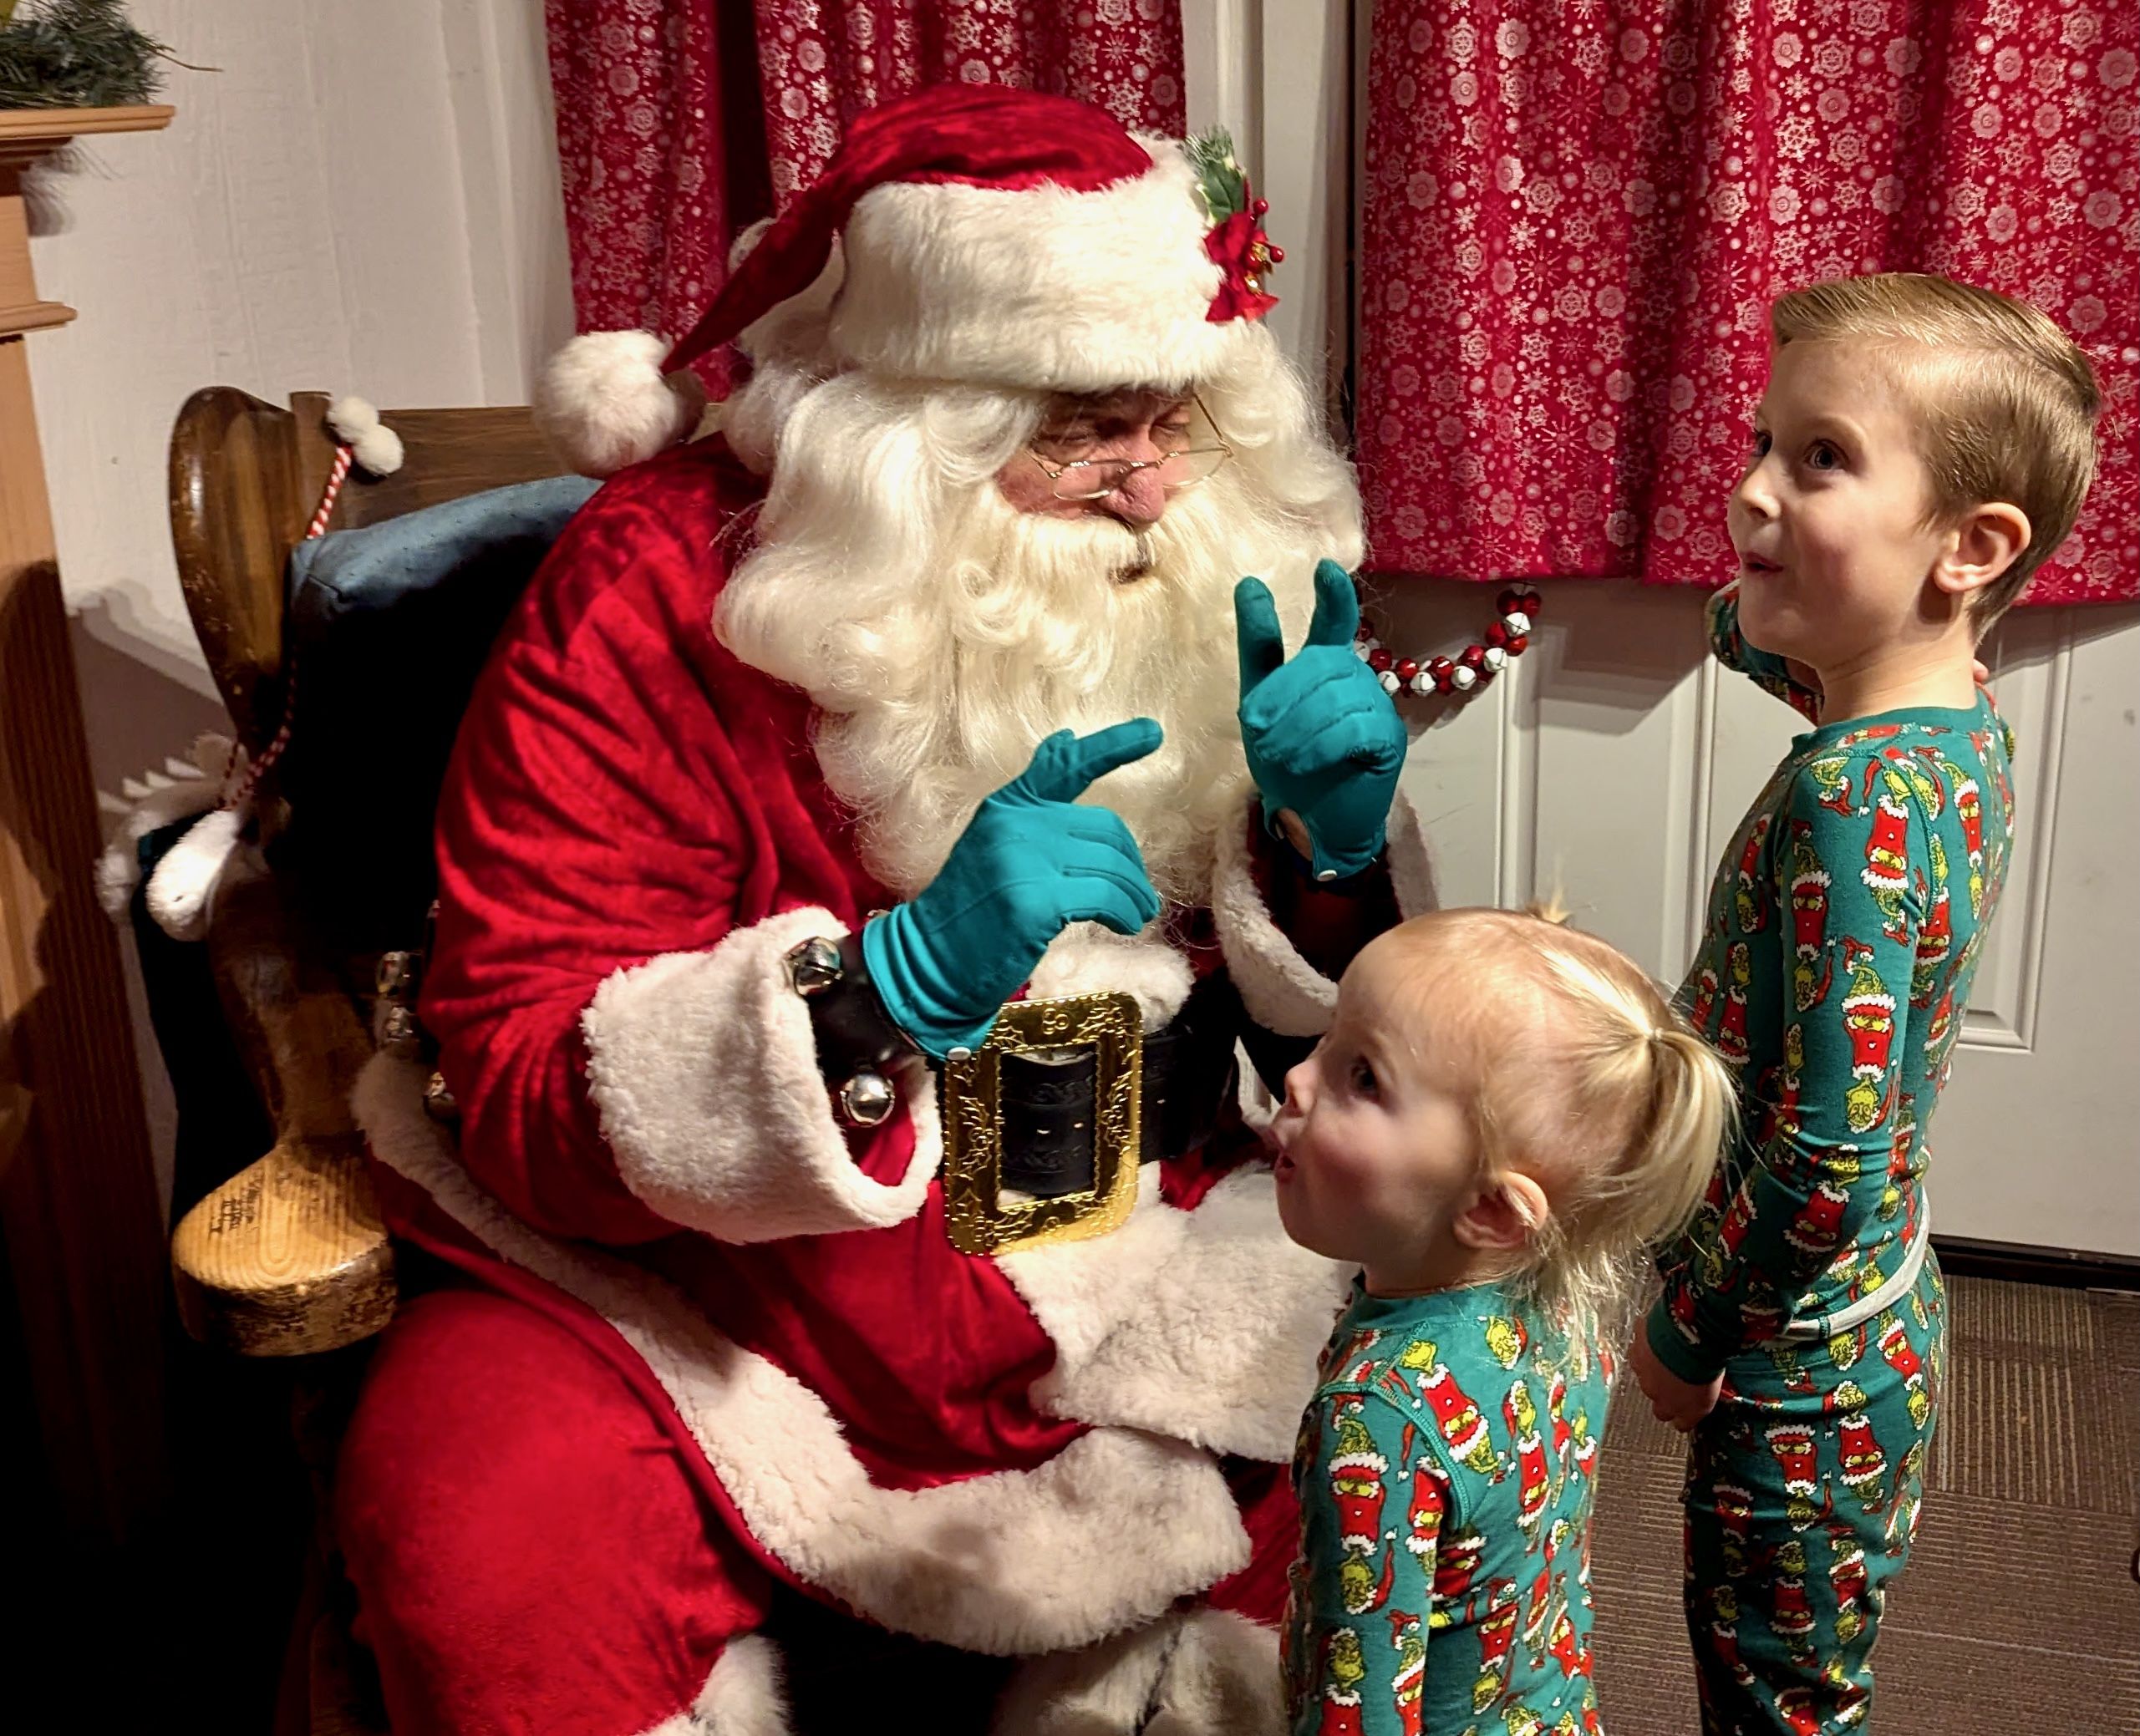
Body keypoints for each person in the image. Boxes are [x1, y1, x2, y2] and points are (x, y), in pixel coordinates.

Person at [332, 84, 1434, 1736]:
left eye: (1173, 417)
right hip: (715, 1306)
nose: (1148, 491)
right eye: (1080, 428)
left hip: (1121, 1250)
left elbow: (1325, 1036)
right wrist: (876, 994)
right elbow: (507, 1068)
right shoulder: (648, 593)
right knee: (472, 1529)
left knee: (1402, 1486)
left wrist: (1327, 860)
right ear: (905, 426)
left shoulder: (1206, 569)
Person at [1625, 273, 2102, 1733]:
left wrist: (1686, 1332)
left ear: (1972, 544)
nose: (1750, 490)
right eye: (1763, 441)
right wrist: (1785, 567)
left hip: (1793, 1363)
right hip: (1874, 1324)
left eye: (1819, 458)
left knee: (1769, 1702)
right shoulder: (1952, 717)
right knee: (1803, 1682)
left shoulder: (1846, 793)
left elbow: (1829, 1145)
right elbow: (1755, 634)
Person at [1273, 907, 1738, 1735]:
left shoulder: (1375, 1417)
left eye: (1363, 1076)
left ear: (1489, 1208)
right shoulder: (1560, 1306)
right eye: (1328, 1040)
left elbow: (1359, 1710)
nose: (1296, 1081)